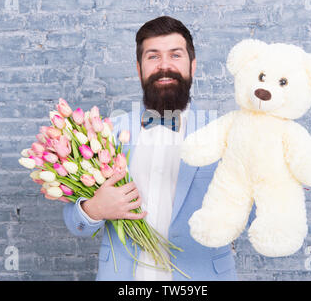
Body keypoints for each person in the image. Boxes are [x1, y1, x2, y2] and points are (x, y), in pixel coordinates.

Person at [63, 16, 248, 280]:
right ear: (139, 69)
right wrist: (94, 209)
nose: (164, 66)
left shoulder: (227, 133)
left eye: (175, 55)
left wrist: (278, 179)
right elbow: (75, 222)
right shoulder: (105, 133)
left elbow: (250, 214)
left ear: (192, 66)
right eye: (153, 57)